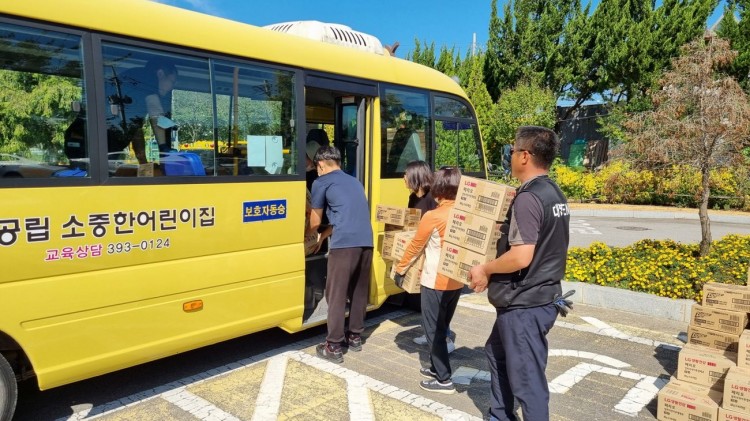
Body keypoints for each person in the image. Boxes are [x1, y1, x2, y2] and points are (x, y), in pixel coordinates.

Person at [468, 126, 570, 421]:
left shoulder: (529, 198)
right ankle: (500, 415)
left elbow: (521, 256)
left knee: (528, 381)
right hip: (538, 297)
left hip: (525, 303)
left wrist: (485, 269)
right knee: (496, 352)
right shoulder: (553, 192)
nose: (509, 155)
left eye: (512, 150)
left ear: (524, 156)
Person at [394, 166, 464, 394]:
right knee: (441, 327)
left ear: (438, 188)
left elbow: (415, 245)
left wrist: (400, 269)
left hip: (435, 282)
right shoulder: (463, 215)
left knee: (433, 331)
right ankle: (435, 368)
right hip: (456, 282)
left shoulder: (433, 216)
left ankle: (444, 380)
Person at [309, 145, 374, 363]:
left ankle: (333, 346)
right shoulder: (355, 182)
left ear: (320, 165)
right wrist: (324, 236)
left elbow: (315, 221)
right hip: (365, 242)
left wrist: (306, 236)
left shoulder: (321, 182)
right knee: (358, 290)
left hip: (344, 245)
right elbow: (344, 217)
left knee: (336, 294)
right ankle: (354, 337)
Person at [403, 160, 457, 354]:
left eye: (406, 174)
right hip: (423, 251)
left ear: (415, 176)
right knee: (428, 304)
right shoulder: (412, 198)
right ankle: (429, 334)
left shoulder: (433, 199)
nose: (403, 178)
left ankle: (445, 338)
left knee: (439, 303)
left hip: (435, 253)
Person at [108, 58, 178, 164]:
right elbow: (155, 110)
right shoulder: (148, 77)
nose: (172, 87)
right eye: (172, 82)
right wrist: (163, 147)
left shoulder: (134, 89)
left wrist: (143, 162)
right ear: (160, 74)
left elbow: (136, 130)